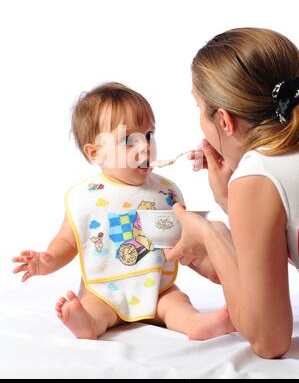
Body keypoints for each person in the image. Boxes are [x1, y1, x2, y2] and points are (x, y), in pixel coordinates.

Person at [12, 82, 234, 340]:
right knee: (95, 308)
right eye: (129, 140)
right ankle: (88, 323)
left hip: (156, 288)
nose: (145, 147)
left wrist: (210, 262)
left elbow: (181, 239)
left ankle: (197, 323)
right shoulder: (86, 196)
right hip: (105, 292)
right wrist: (47, 259)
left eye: (149, 135)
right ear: (96, 153)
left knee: (175, 302)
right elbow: (67, 240)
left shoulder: (164, 191)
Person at [166, 28, 299, 359]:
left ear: (224, 120)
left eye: (199, 106)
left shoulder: (259, 176)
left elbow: (270, 341)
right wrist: (231, 203)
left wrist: (211, 235)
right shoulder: (268, 172)